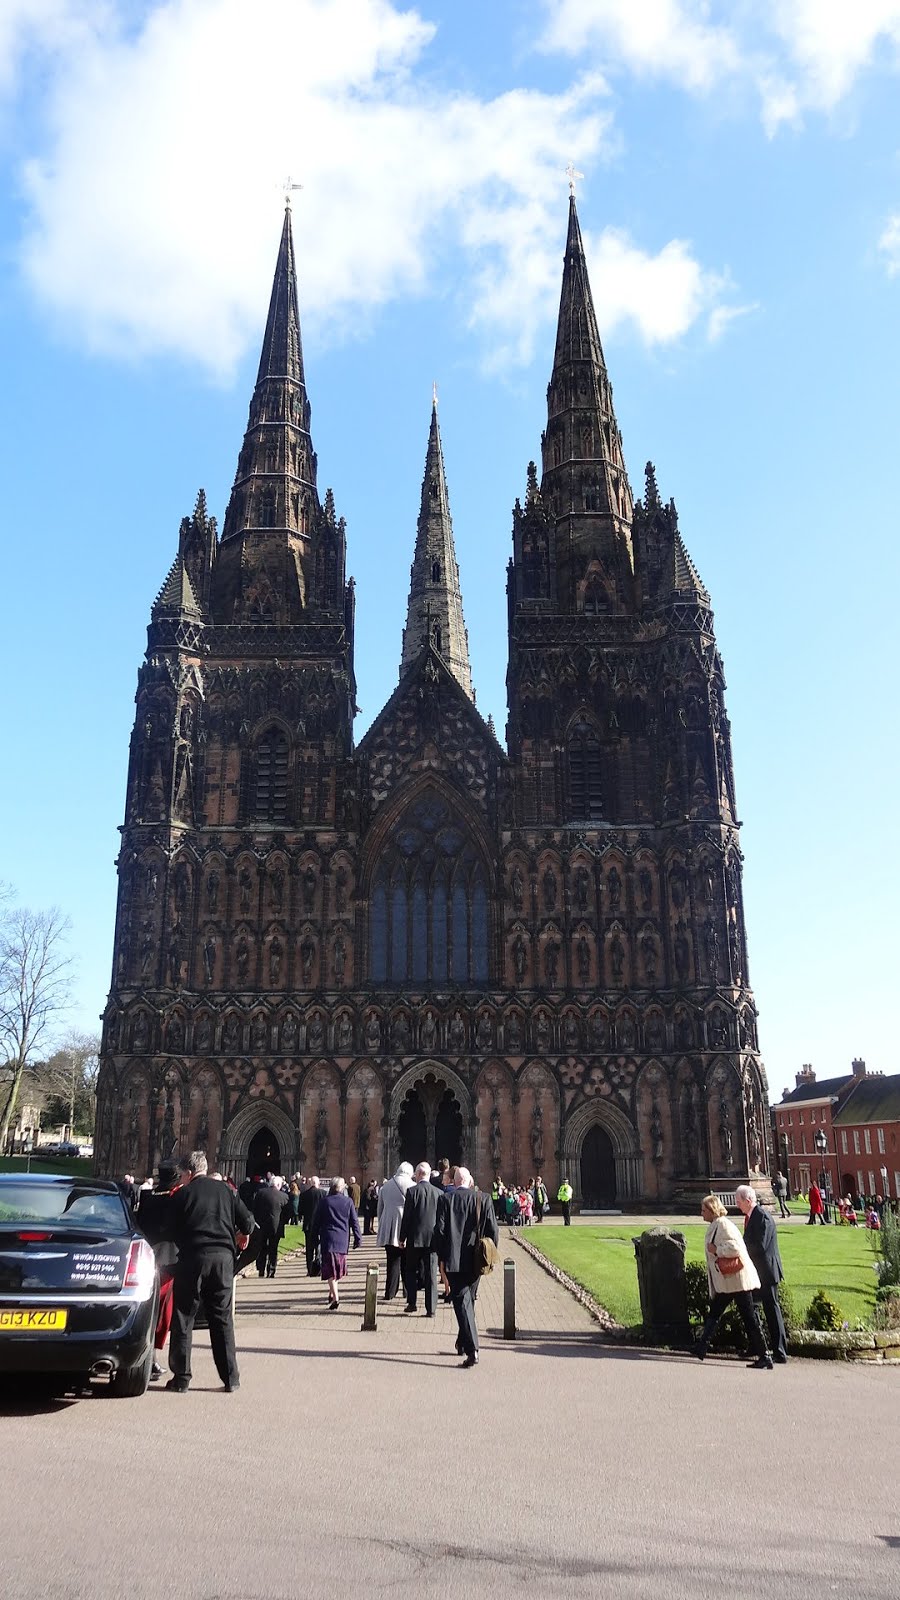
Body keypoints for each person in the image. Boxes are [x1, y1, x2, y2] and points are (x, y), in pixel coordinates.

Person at [165, 1150, 254, 1393]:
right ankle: (230, 1378)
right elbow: (248, 1222)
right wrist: (241, 1234)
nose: (181, 1179)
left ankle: (182, 1378)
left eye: (182, 1174)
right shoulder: (227, 1190)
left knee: (184, 1317)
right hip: (223, 1260)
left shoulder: (183, 1194)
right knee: (222, 1317)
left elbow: (170, 1230)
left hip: (193, 1258)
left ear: (189, 1173)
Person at [695, 1194, 771, 1369]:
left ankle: (765, 1355)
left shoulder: (723, 1224)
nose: (701, 1213)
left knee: (748, 1317)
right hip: (729, 1281)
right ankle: (701, 1346)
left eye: (704, 1210)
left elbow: (736, 1247)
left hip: (737, 1279)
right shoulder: (717, 1224)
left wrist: (717, 1250)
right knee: (716, 1311)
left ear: (712, 1210)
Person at [433, 1166, 499, 1368]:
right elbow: (493, 1230)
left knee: (462, 1303)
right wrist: (489, 1255)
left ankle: (473, 1350)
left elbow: (440, 1232)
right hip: (476, 1260)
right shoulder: (483, 1199)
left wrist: (441, 1259)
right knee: (467, 1301)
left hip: (454, 1261)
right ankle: (462, 1342)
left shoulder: (445, 1200)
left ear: (454, 1182)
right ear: (470, 1181)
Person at [136, 1161, 181, 1381]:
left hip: (147, 1259)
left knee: (150, 1312)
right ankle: (150, 1360)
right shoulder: (174, 1200)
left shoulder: (147, 1198)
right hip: (168, 1261)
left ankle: (148, 1359)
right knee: (160, 1315)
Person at [736, 1183, 788, 1364]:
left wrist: (740, 1251)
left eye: (739, 1201)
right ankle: (757, 1345)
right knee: (752, 1307)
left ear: (748, 1200)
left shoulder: (762, 1217)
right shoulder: (752, 1217)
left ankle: (780, 1351)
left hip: (766, 1272)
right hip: (757, 1272)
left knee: (772, 1310)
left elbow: (760, 1246)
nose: (737, 1204)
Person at [399, 1161, 442, 1317]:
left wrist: (401, 1237)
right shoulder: (439, 1193)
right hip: (432, 1241)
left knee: (411, 1271)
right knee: (431, 1274)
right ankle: (431, 1309)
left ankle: (412, 1303)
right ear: (429, 1175)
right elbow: (441, 1220)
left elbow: (407, 1218)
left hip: (414, 1239)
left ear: (417, 1174)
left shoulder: (412, 1192)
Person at [311, 1177, 361, 1309]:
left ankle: (333, 1296)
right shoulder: (348, 1202)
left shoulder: (324, 1202)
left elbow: (316, 1222)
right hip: (342, 1241)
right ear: (342, 1187)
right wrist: (358, 1238)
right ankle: (335, 1297)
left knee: (332, 1270)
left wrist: (313, 1238)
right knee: (335, 1270)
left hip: (328, 1239)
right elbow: (354, 1222)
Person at [376, 1162, 415, 1300]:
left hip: (390, 1227)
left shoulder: (385, 1186)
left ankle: (390, 1292)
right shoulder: (412, 1186)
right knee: (407, 1263)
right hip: (406, 1228)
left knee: (392, 1262)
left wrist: (382, 1224)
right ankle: (408, 1291)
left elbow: (380, 1209)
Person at [253, 1175, 289, 1279]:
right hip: (276, 1227)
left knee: (262, 1248)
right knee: (273, 1248)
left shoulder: (261, 1193)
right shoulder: (284, 1196)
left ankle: (261, 1269)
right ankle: (271, 1270)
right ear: (278, 1185)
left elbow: (254, 1208)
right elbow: (287, 1213)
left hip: (262, 1226)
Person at [298, 1176, 322, 1275]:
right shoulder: (323, 1194)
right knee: (319, 1247)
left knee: (309, 1248)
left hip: (308, 1225)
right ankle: (318, 1268)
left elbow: (300, 1210)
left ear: (310, 1183)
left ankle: (310, 1269)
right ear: (318, 1183)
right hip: (320, 1225)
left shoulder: (304, 1195)